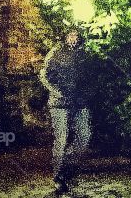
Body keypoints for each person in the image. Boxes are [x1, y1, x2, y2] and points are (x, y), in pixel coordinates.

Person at [40, 28, 93, 195]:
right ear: (65, 36)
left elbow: (90, 77)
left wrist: (87, 92)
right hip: (60, 103)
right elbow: (44, 75)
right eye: (70, 35)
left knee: (84, 136)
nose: (73, 38)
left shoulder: (84, 54)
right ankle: (58, 176)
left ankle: (67, 167)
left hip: (79, 102)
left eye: (76, 35)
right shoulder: (56, 52)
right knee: (61, 139)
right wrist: (56, 92)